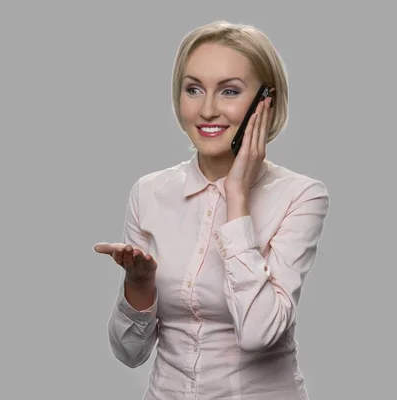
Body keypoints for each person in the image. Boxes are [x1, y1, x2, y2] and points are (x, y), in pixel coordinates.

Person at [93, 20, 329, 400]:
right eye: (194, 89)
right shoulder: (149, 192)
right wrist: (138, 286)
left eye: (229, 91)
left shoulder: (301, 196)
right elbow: (129, 353)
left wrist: (237, 195)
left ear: (265, 101)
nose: (206, 109)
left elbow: (258, 333)